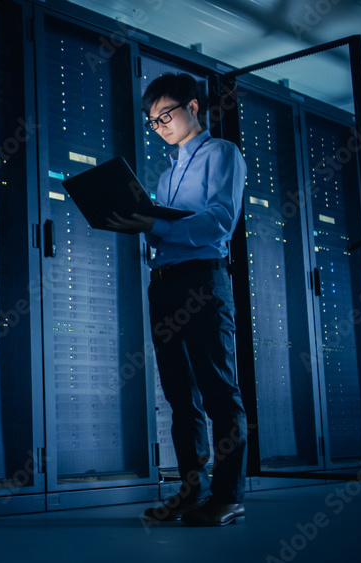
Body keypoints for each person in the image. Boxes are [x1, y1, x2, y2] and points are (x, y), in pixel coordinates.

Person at [106, 73, 248, 526]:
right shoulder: (166, 176)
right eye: (153, 120)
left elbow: (219, 222)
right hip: (164, 283)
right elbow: (163, 232)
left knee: (219, 391)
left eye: (166, 114)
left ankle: (228, 496)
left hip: (203, 283)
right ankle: (192, 493)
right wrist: (135, 222)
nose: (160, 124)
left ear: (193, 106)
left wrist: (154, 226)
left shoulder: (222, 154)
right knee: (179, 397)